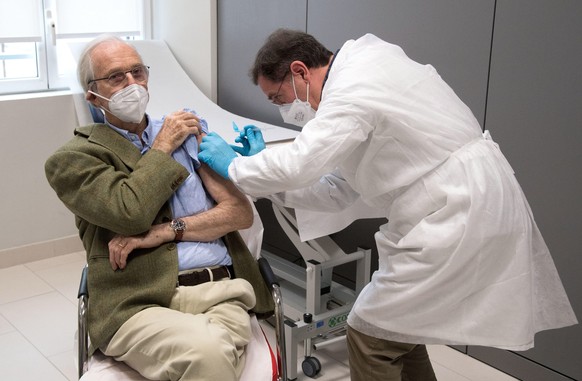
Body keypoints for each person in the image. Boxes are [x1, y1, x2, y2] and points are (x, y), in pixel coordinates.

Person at [198, 29, 578, 381]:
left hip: (458, 211)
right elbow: (337, 190)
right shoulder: (367, 68)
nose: (284, 109)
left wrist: (234, 166)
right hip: (453, 205)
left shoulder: (353, 85)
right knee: (396, 326)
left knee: (369, 330)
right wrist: (264, 174)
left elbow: (301, 162)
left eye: (278, 98)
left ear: (300, 71)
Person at [45, 35, 269, 381]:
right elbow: (129, 211)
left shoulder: (189, 133)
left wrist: (164, 232)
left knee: (210, 355)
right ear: (92, 96)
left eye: (137, 72)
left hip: (222, 292)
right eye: (117, 77)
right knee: (208, 354)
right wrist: (161, 146)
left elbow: (239, 214)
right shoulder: (74, 159)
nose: (132, 84)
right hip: (137, 302)